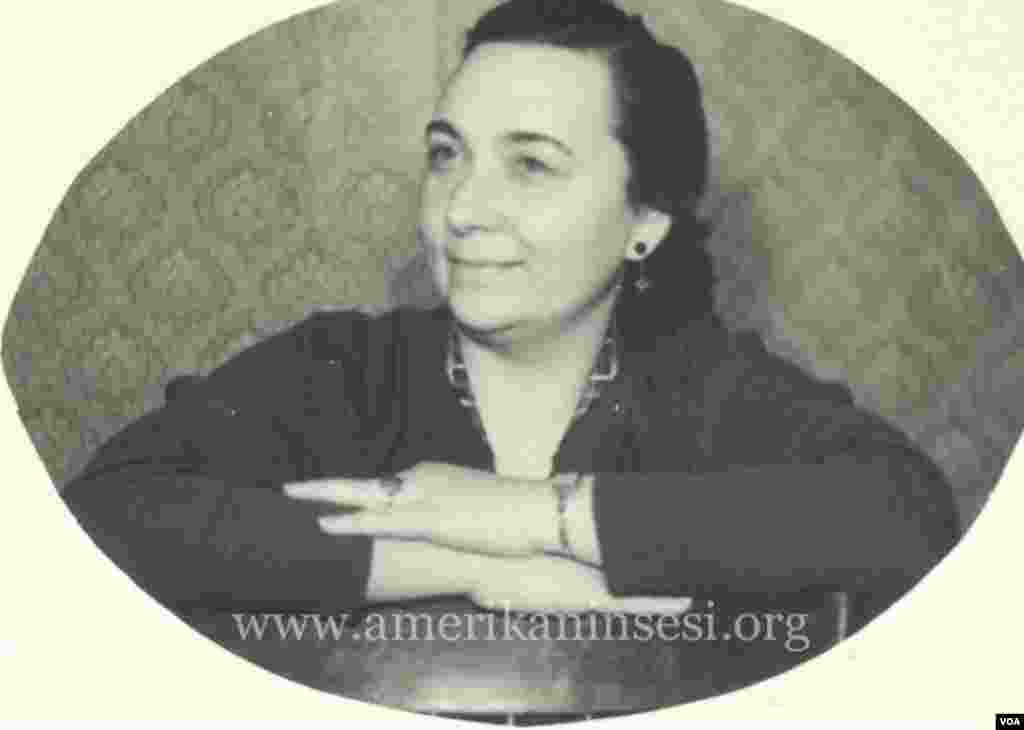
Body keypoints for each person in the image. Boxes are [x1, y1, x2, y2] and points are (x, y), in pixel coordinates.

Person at [62, 0, 960, 714]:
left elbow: (904, 515)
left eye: (530, 165)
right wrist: (474, 566)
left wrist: (527, 512)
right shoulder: (336, 369)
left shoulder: (709, 388)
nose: (461, 210)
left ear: (645, 219)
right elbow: (104, 518)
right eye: (447, 156)